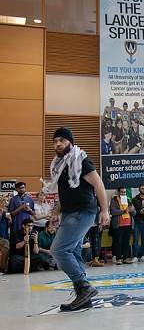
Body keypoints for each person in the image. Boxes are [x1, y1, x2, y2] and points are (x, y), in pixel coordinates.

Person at [45, 127, 110, 310]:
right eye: (55, 140)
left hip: (83, 212)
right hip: (69, 213)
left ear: (70, 142)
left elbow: (98, 183)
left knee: (58, 249)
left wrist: (104, 210)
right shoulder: (59, 164)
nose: (58, 143)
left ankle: (84, 286)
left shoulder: (81, 160)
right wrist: (57, 212)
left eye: (62, 140)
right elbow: (64, 193)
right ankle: (84, 297)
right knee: (72, 251)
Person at [110, 187, 136, 265]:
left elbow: (134, 213)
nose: (123, 194)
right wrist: (124, 211)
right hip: (118, 225)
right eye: (121, 192)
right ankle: (118, 258)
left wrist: (131, 210)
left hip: (128, 224)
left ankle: (126, 258)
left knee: (126, 242)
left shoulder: (128, 200)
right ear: (118, 193)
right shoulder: (114, 201)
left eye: (124, 192)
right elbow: (113, 212)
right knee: (118, 242)